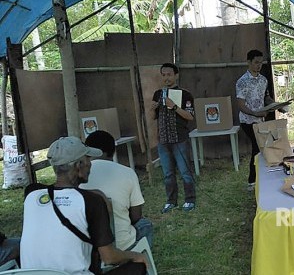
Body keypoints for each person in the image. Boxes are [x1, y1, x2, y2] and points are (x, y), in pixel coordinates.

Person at [20, 136, 147, 274]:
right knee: (138, 266)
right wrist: (137, 256)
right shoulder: (92, 201)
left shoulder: (32, 197)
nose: (90, 164)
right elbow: (110, 257)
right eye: (88, 159)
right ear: (79, 165)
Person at [80, 130, 154, 250]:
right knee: (144, 224)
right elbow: (136, 216)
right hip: (122, 245)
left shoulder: (78, 175)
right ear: (113, 151)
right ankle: (142, 263)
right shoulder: (128, 173)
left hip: (88, 247)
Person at [151, 63, 196, 213]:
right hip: (163, 140)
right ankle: (171, 201)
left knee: (185, 172)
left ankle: (189, 199)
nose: (166, 78)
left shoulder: (185, 94)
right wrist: (153, 108)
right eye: (163, 75)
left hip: (180, 138)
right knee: (168, 174)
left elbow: (190, 116)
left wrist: (174, 106)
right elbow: (152, 117)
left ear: (176, 75)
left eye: (169, 74)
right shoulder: (158, 94)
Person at [236, 49, 275, 190]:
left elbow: (266, 97)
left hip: (260, 120)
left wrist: (276, 105)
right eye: (256, 62)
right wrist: (254, 113)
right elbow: (240, 104)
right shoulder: (242, 82)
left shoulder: (263, 80)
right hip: (247, 120)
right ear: (249, 62)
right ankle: (252, 181)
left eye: (261, 62)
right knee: (258, 147)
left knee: (259, 148)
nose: (259, 65)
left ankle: (258, 179)